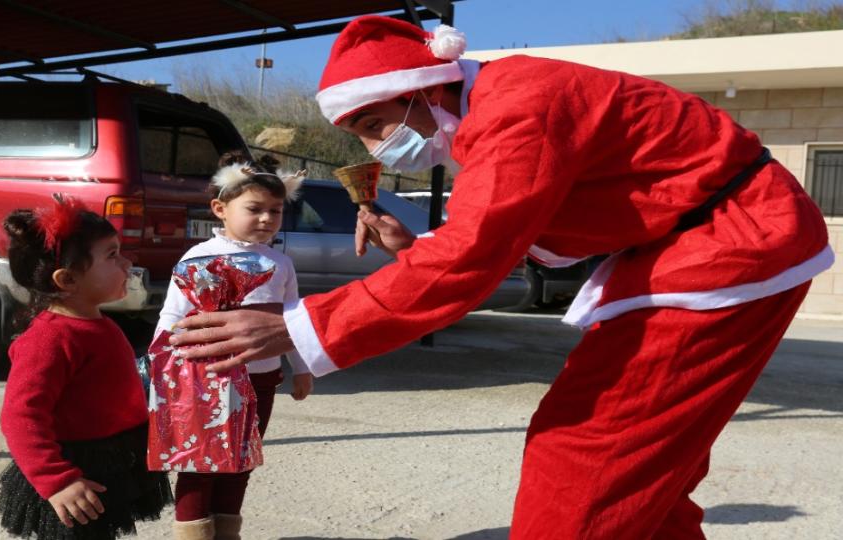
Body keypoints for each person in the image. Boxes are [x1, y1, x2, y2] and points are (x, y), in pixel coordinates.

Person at [169, 15, 834, 539]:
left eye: (374, 125)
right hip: (709, 243)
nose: (375, 148)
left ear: (423, 88)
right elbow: (493, 236)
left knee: (586, 449)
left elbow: (473, 255)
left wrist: (295, 327)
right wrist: (420, 246)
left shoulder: (517, 110)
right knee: (646, 466)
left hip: (731, 247)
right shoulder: (505, 107)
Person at [0, 196, 172, 539]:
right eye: (112, 255)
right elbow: (20, 415)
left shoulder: (97, 322)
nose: (127, 263)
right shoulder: (49, 340)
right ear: (68, 280)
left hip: (113, 458)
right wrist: (57, 481)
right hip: (74, 468)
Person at [154, 152, 313, 540]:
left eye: (275, 211)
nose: (266, 219)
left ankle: (227, 532)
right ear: (219, 209)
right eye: (255, 209)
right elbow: (170, 317)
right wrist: (157, 371)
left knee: (242, 461)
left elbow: (291, 321)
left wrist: (303, 367)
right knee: (199, 464)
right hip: (206, 380)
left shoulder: (281, 263)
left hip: (261, 380)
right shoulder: (198, 257)